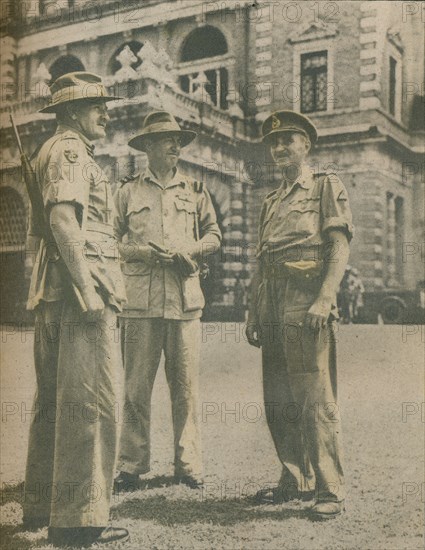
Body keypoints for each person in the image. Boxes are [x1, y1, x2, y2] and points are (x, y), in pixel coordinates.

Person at [23, 72, 129, 546]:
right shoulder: (70, 151)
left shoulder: (54, 148)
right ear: (70, 113)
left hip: (54, 291)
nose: (104, 112)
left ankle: (43, 506)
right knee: (91, 403)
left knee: (55, 403)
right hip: (80, 289)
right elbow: (64, 221)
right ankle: (79, 521)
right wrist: (88, 291)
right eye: (94, 105)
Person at [246, 110, 353, 520]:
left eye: (287, 140)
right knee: (278, 397)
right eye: (273, 143)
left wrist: (325, 297)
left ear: (306, 144)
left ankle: (330, 488)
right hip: (271, 299)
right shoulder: (270, 201)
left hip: (304, 296)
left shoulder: (326, 185)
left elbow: (338, 246)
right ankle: (294, 477)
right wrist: (253, 309)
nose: (279, 148)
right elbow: (262, 260)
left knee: (313, 395)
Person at [113, 111, 221, 491]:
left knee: (186, 389)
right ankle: (130, 464)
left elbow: (214, 235)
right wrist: (142, 251)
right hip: (139, 304)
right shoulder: (126, 191)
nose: (176, 146)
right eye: (167, 140)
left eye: (177, 140)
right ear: (148, 148)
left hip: (184, 300)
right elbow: (110, 241)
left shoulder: (194, 190)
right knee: (135, 388)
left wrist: (189, 250)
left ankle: (188, 463)